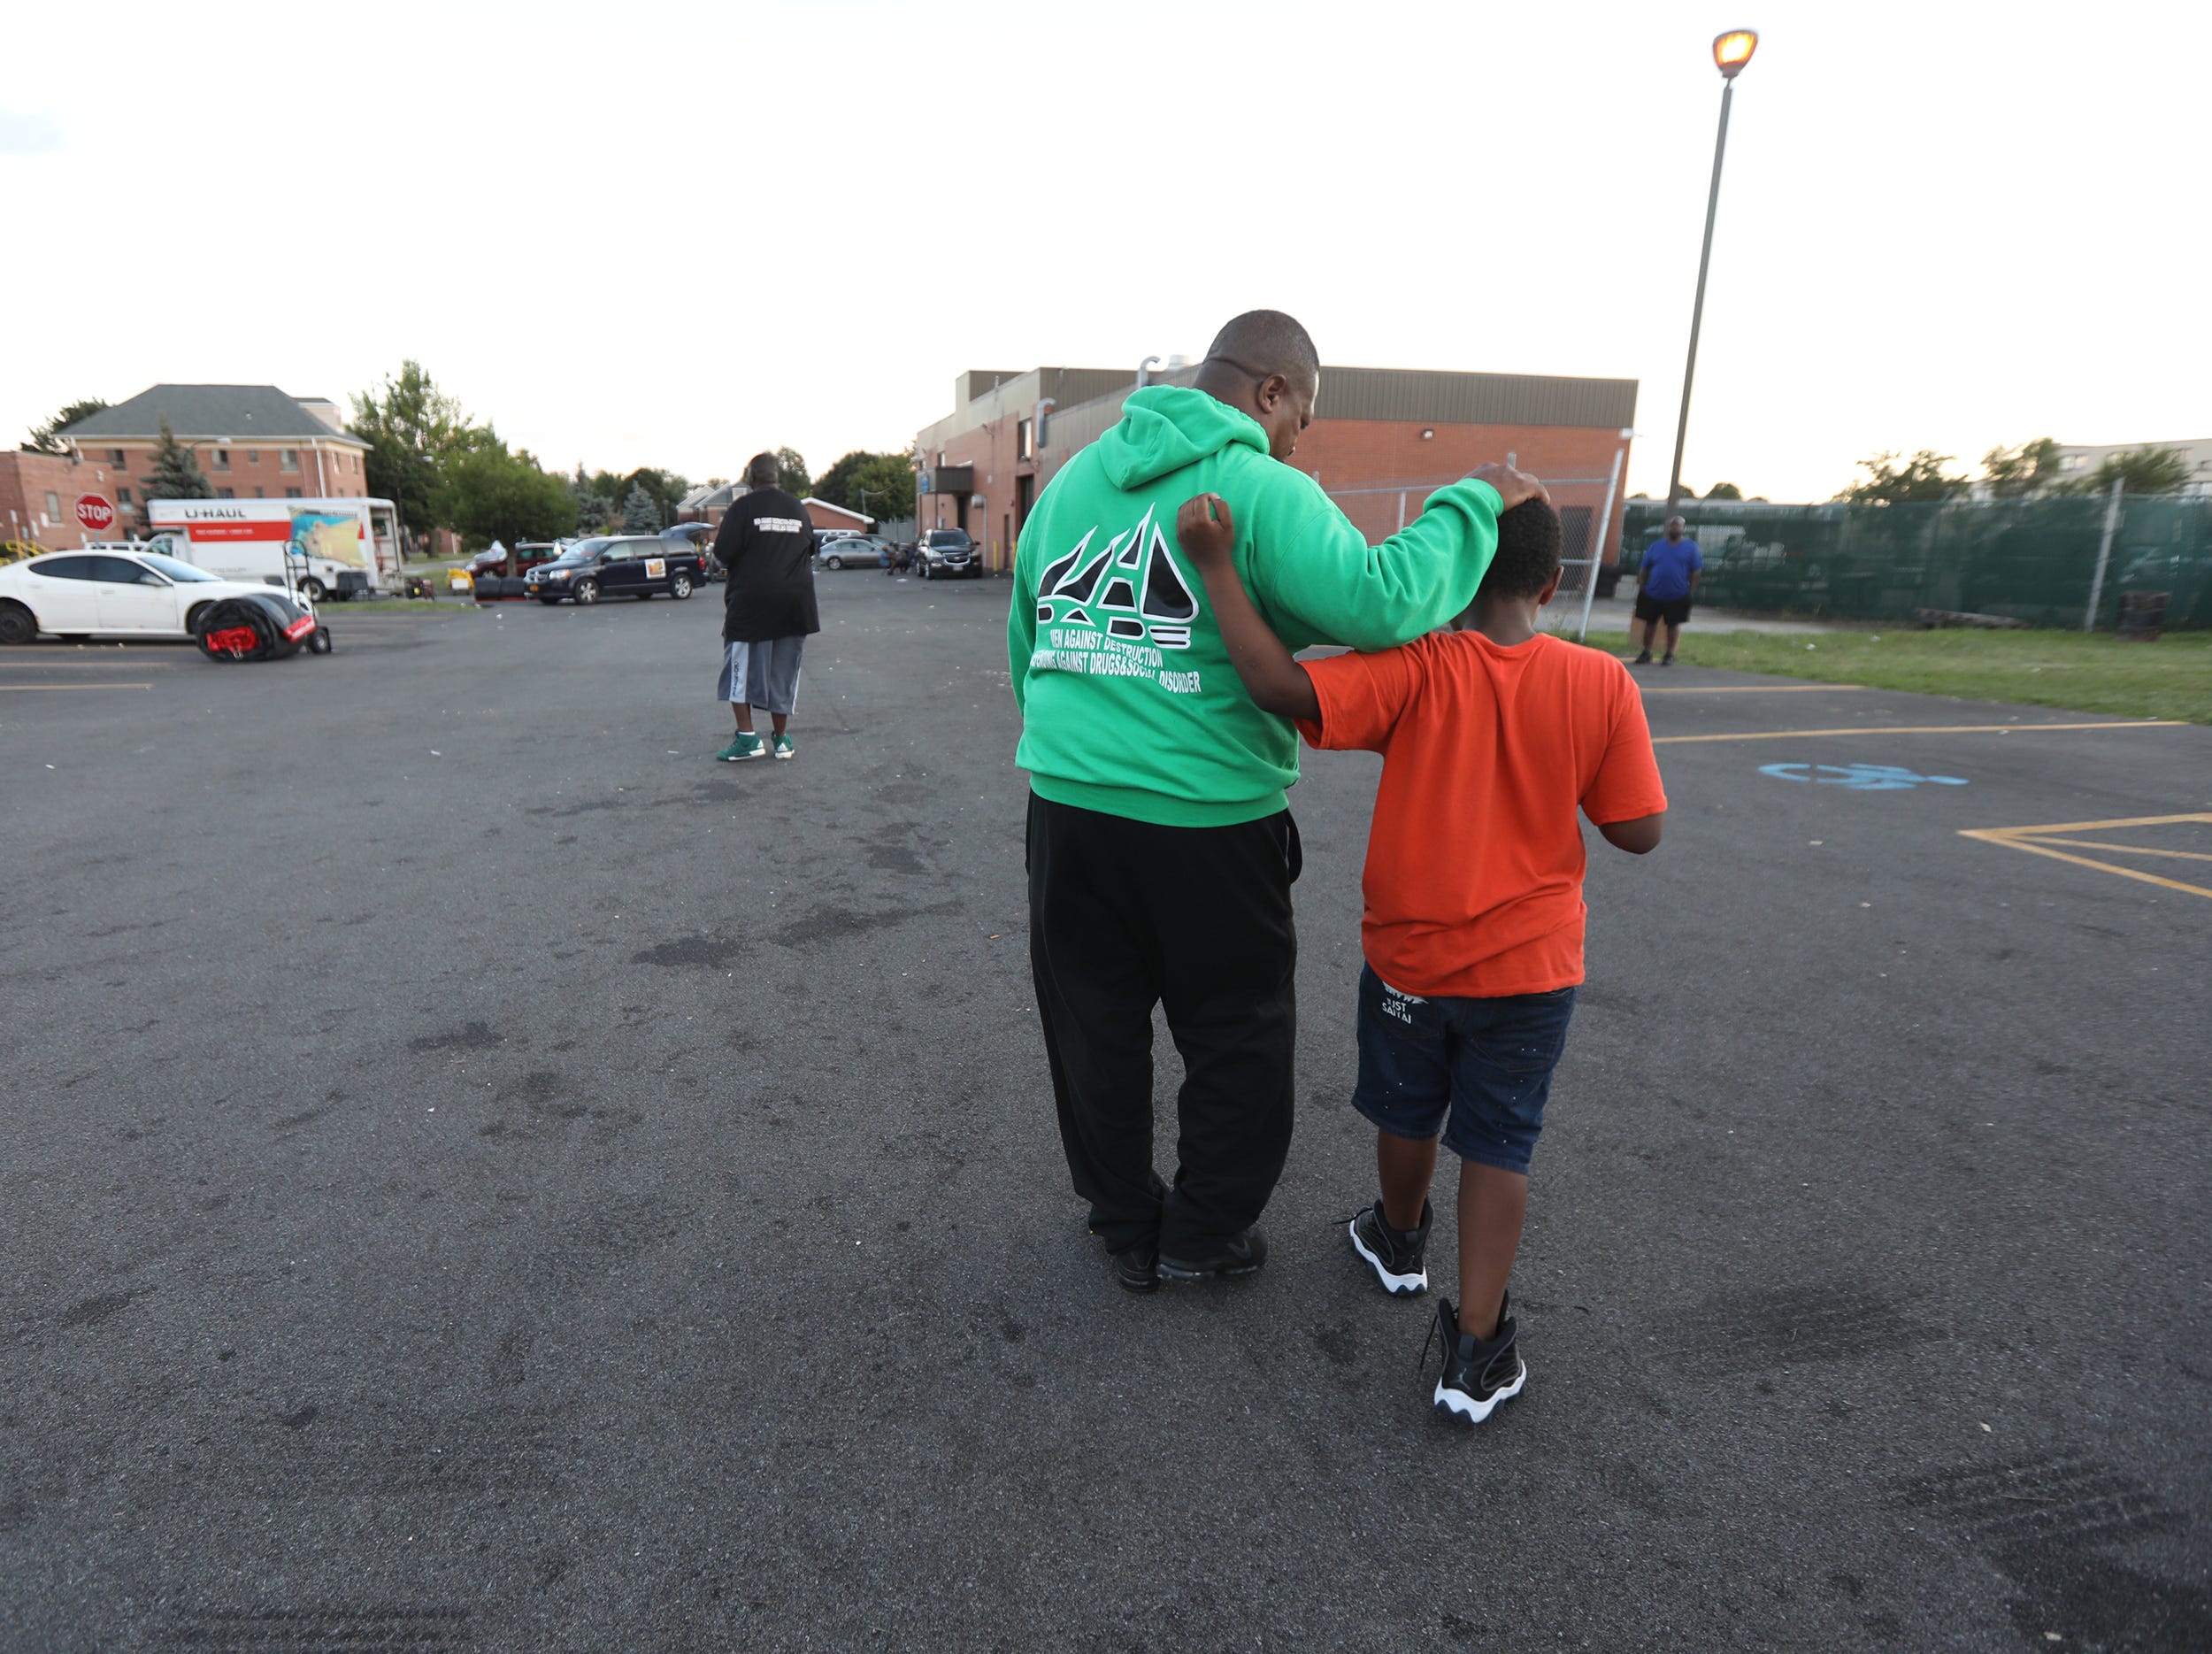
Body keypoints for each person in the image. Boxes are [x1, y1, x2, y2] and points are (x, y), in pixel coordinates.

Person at [1007, 309, 1548, 1294]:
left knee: (1093, 1024)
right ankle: (1204, 1232)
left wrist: (1070, 751)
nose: (1300, 437)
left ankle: (1124, 1223)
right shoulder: (1259, 488)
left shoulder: (1071, 483)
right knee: (1236, 1028)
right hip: (1206, 818)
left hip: (1068, 810)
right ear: (1268, 392)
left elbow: (1027, 631)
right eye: (1301, 413)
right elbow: (1379, 600)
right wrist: (1471, 503)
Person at [1175, 489, 1667, 1425]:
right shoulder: (1601, 683)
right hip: (1533, 969)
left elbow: (1281, 687)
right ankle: (1475, 1350)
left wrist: (1214, 566)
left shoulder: (1414, 666)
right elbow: (1637, 830)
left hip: (1410, 959)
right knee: (1499, 1140)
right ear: (1552, 585)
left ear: (1452, 576)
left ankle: (1398, 1240)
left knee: (1408, 1107)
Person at [712, 452, 817, 761]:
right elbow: (810, 549)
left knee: (739, 671)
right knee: (782, 672)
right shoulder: (799, 508)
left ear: (752, 478)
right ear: (777, 478)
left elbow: (722, 554)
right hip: (796, 603)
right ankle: (782, 740)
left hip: (751, 603)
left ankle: (748, 740)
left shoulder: (742, 508)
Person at [1632, 514, 1702, 665]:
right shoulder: (1656, 546)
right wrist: (1643, 586)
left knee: (1673, 624)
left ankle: (1669, 654)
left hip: (1677, 594)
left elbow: (1696, 572)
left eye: (1677, 525)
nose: (1674, 528)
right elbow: (1645, 568)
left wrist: (1689, 591)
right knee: (1650, 623)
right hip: (1653, 593)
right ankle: (1647, 652)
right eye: (1672, 525)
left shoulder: (1691, 548)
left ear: (1683, 528)